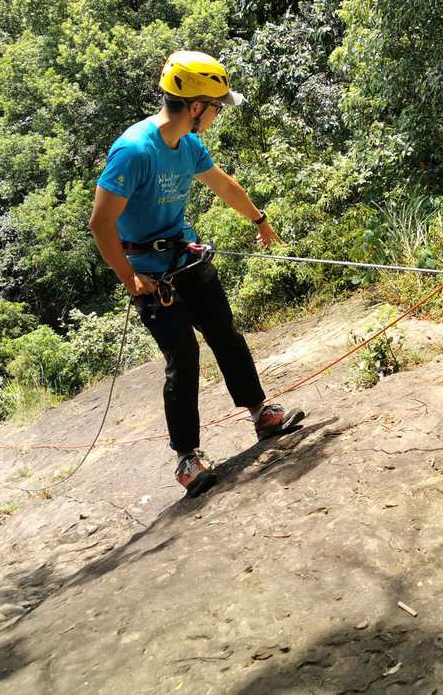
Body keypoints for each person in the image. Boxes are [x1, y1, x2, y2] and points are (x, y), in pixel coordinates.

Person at [88, 50, 304, 496]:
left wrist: (259, 220)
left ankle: (261, 412)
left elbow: (223, 185)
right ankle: (187, 456)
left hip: (184, 256)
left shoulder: (188, 144)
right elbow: (100, 223)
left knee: (225, 333)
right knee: (183, 357)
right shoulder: (133, 152)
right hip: (149, 273)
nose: (219, 115)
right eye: (217, 106)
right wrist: (130, 279)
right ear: (196, 106)